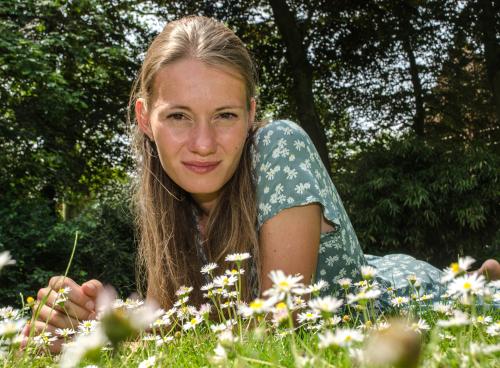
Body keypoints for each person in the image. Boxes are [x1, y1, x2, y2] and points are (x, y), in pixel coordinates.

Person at [24, 15, 500, 353]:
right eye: (179, 117)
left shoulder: (279, 147)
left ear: (251, 115)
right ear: (146, 119)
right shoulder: (170, 202)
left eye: (225, 115)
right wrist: (85, 324)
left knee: (477, 298)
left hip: (400, 293)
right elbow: (174, 330)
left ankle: (476, 284)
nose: (204, 143)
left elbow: (279, 330)